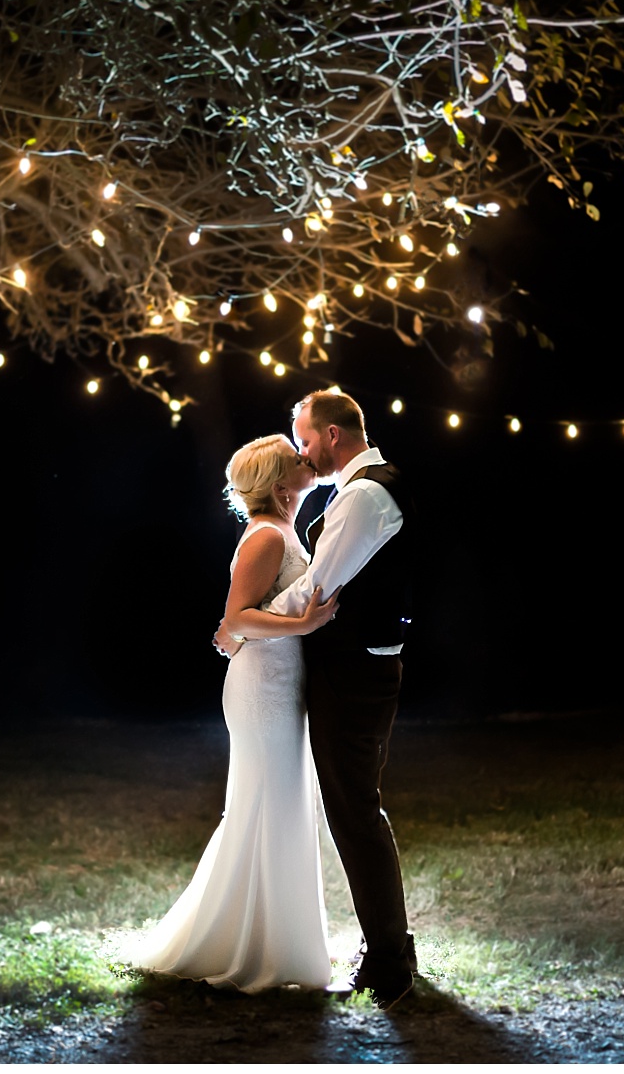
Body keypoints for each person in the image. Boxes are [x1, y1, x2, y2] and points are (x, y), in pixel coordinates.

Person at [215, 389, 417, 1009]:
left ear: (331, 435)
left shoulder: (362, 495)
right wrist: (240, 625)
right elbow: (306, 601)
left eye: (305, 440)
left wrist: (237, 627)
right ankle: (361, 945)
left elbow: (314, 595)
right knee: (329, 807)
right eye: (294, 450)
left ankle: (388, 954)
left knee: (351, 810)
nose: (304, 453)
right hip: (305, 678)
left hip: (350, 677)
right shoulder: (347, 497)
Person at [133, 435, 341, 991]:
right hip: (261, 689)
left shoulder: (282, 531)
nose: (308, 461)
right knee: (263, 806)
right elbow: (238, 619)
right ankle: (246, 944)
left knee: (279, 806)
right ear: (279, 485)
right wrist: (304, 625)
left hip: (280, 683)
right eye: (297, 460)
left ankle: (277, 941)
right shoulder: (268, 537)